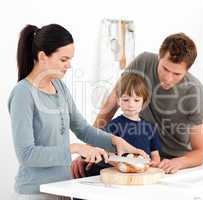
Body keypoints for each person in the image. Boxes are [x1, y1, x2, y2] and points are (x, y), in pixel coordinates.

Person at [8, 24, 148, 199]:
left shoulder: (59, 86)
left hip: (63, 189)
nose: (69, 66)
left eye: (70, 59)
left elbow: (82, 128)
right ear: (43, 56)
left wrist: (115, 141)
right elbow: (26, 155)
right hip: (36, 192)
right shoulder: (23, 93)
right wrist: (75, 148)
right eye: (63, 59)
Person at [72, 32, 203, 175]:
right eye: (165, 69)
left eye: (176, 74)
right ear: (159, 57)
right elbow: (109, 108)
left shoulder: (195, 92)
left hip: (173, 162)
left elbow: (200, 152)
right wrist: (88, 149)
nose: (168, 78)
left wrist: (178, 162)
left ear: (187, 70)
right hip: (136, 156)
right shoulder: (143, 62)